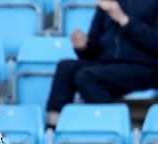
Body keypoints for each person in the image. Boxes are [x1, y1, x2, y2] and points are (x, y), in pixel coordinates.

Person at [45, 0, 158, 128]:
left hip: (144, 66)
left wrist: (125, 21)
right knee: (65, 68)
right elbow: (95, 49)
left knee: (86, 76)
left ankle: (116, 129)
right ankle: (52, 132)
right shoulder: (108, 3)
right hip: (109, 66)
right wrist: (84, 45)